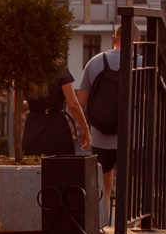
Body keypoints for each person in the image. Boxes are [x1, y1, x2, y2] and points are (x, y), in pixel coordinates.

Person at [76, 18, 130, 201]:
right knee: (131, 185)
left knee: (103, 185)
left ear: (114, 38)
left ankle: (103, 224)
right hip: (132, 137)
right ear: (136, 40)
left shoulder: (95, 61)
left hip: (100, 135)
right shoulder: (142, 62)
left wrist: (86, 129)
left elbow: (81, 100)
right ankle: (131, 226)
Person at [18, 61, 88, 158]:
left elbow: (16, 107)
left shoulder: (26, 71)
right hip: (56, 127)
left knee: (34, 168)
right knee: (60, 168)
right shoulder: (59, 69)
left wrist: (37, 104)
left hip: (33, 127)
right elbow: (73, 105)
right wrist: (86, 129)